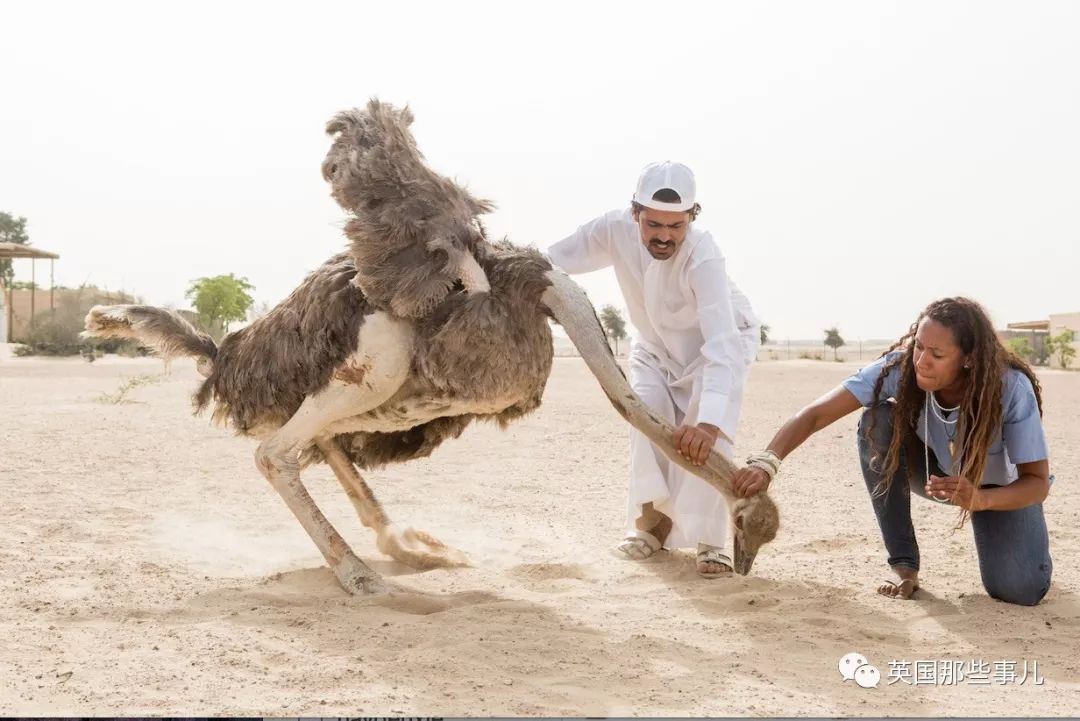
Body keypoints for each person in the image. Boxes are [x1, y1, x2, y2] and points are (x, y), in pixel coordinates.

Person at [732, 297, 1053, 605]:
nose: (921, 361)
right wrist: (767, 463)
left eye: (937, 354)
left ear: (968, 358)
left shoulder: (1010, 387)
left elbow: (1037, 482)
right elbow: (816, 414)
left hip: (1001, 491)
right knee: (877, 420)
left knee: (1020, 590)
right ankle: (905, 568)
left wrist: (981, 500)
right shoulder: (901, 369)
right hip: (937, 474)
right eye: (919, 346)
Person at [546, 161, 760, 577]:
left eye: (676, 226)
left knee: (706, 436)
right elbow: (549, 260)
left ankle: (711, 543)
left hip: (718, 349)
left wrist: (709, 425)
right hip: (652, 348)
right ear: (635, 214)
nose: (664, 235)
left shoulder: (705, 257)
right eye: (654, 224)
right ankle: (649, 530)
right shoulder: (611, 229)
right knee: (645, 419)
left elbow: (722, 347)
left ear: (691, 219)